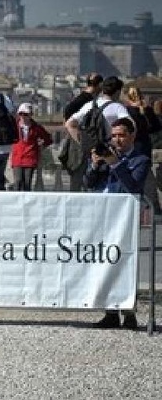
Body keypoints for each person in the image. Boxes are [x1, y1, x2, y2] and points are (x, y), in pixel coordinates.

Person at [83, 117, 149, 330]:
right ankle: (110, 312)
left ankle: (129, 314)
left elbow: (133, 186)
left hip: (126, 219)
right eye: (114, 135)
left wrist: (115, 163)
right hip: (105, 216)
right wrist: (94, 164)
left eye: (121, 135)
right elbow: (88, 183)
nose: (117, 140)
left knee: (126, 265)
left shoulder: (141, 160)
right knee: (106, 263)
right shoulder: (106, 155)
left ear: (132, 136)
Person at [65, 76, 130, 186]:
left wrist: (83, 143)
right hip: (113, 153)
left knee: (93, 185)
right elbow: (131, 127)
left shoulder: (90, 105)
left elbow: (69, 124)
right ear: (118, 92)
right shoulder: (118, 107)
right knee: (117, 185)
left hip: (94, 152)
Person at [60, 73, 103, 191]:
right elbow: (67, 116)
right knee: (79, 178)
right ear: (99, 85)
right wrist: (76, 134)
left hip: (80, 141)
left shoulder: (83, 98)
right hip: (81, 143)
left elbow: (67, 115)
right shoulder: (86, 100)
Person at [10, 103, 53, 191]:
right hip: (17, 158)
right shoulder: (14, 126)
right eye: (21, 114)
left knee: (27, 183)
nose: (23, 116)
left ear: (30, 115)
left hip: (30, 158)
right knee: (17, 182)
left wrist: (41, 145)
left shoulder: (36, 127)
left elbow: (48, 139)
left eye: (25, 114)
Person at [124, 86, 160, 158]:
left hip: (131, 143)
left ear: (127, 97)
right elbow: (156, 127)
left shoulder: (125, 110)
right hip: (145, 143)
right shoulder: (148, 109)